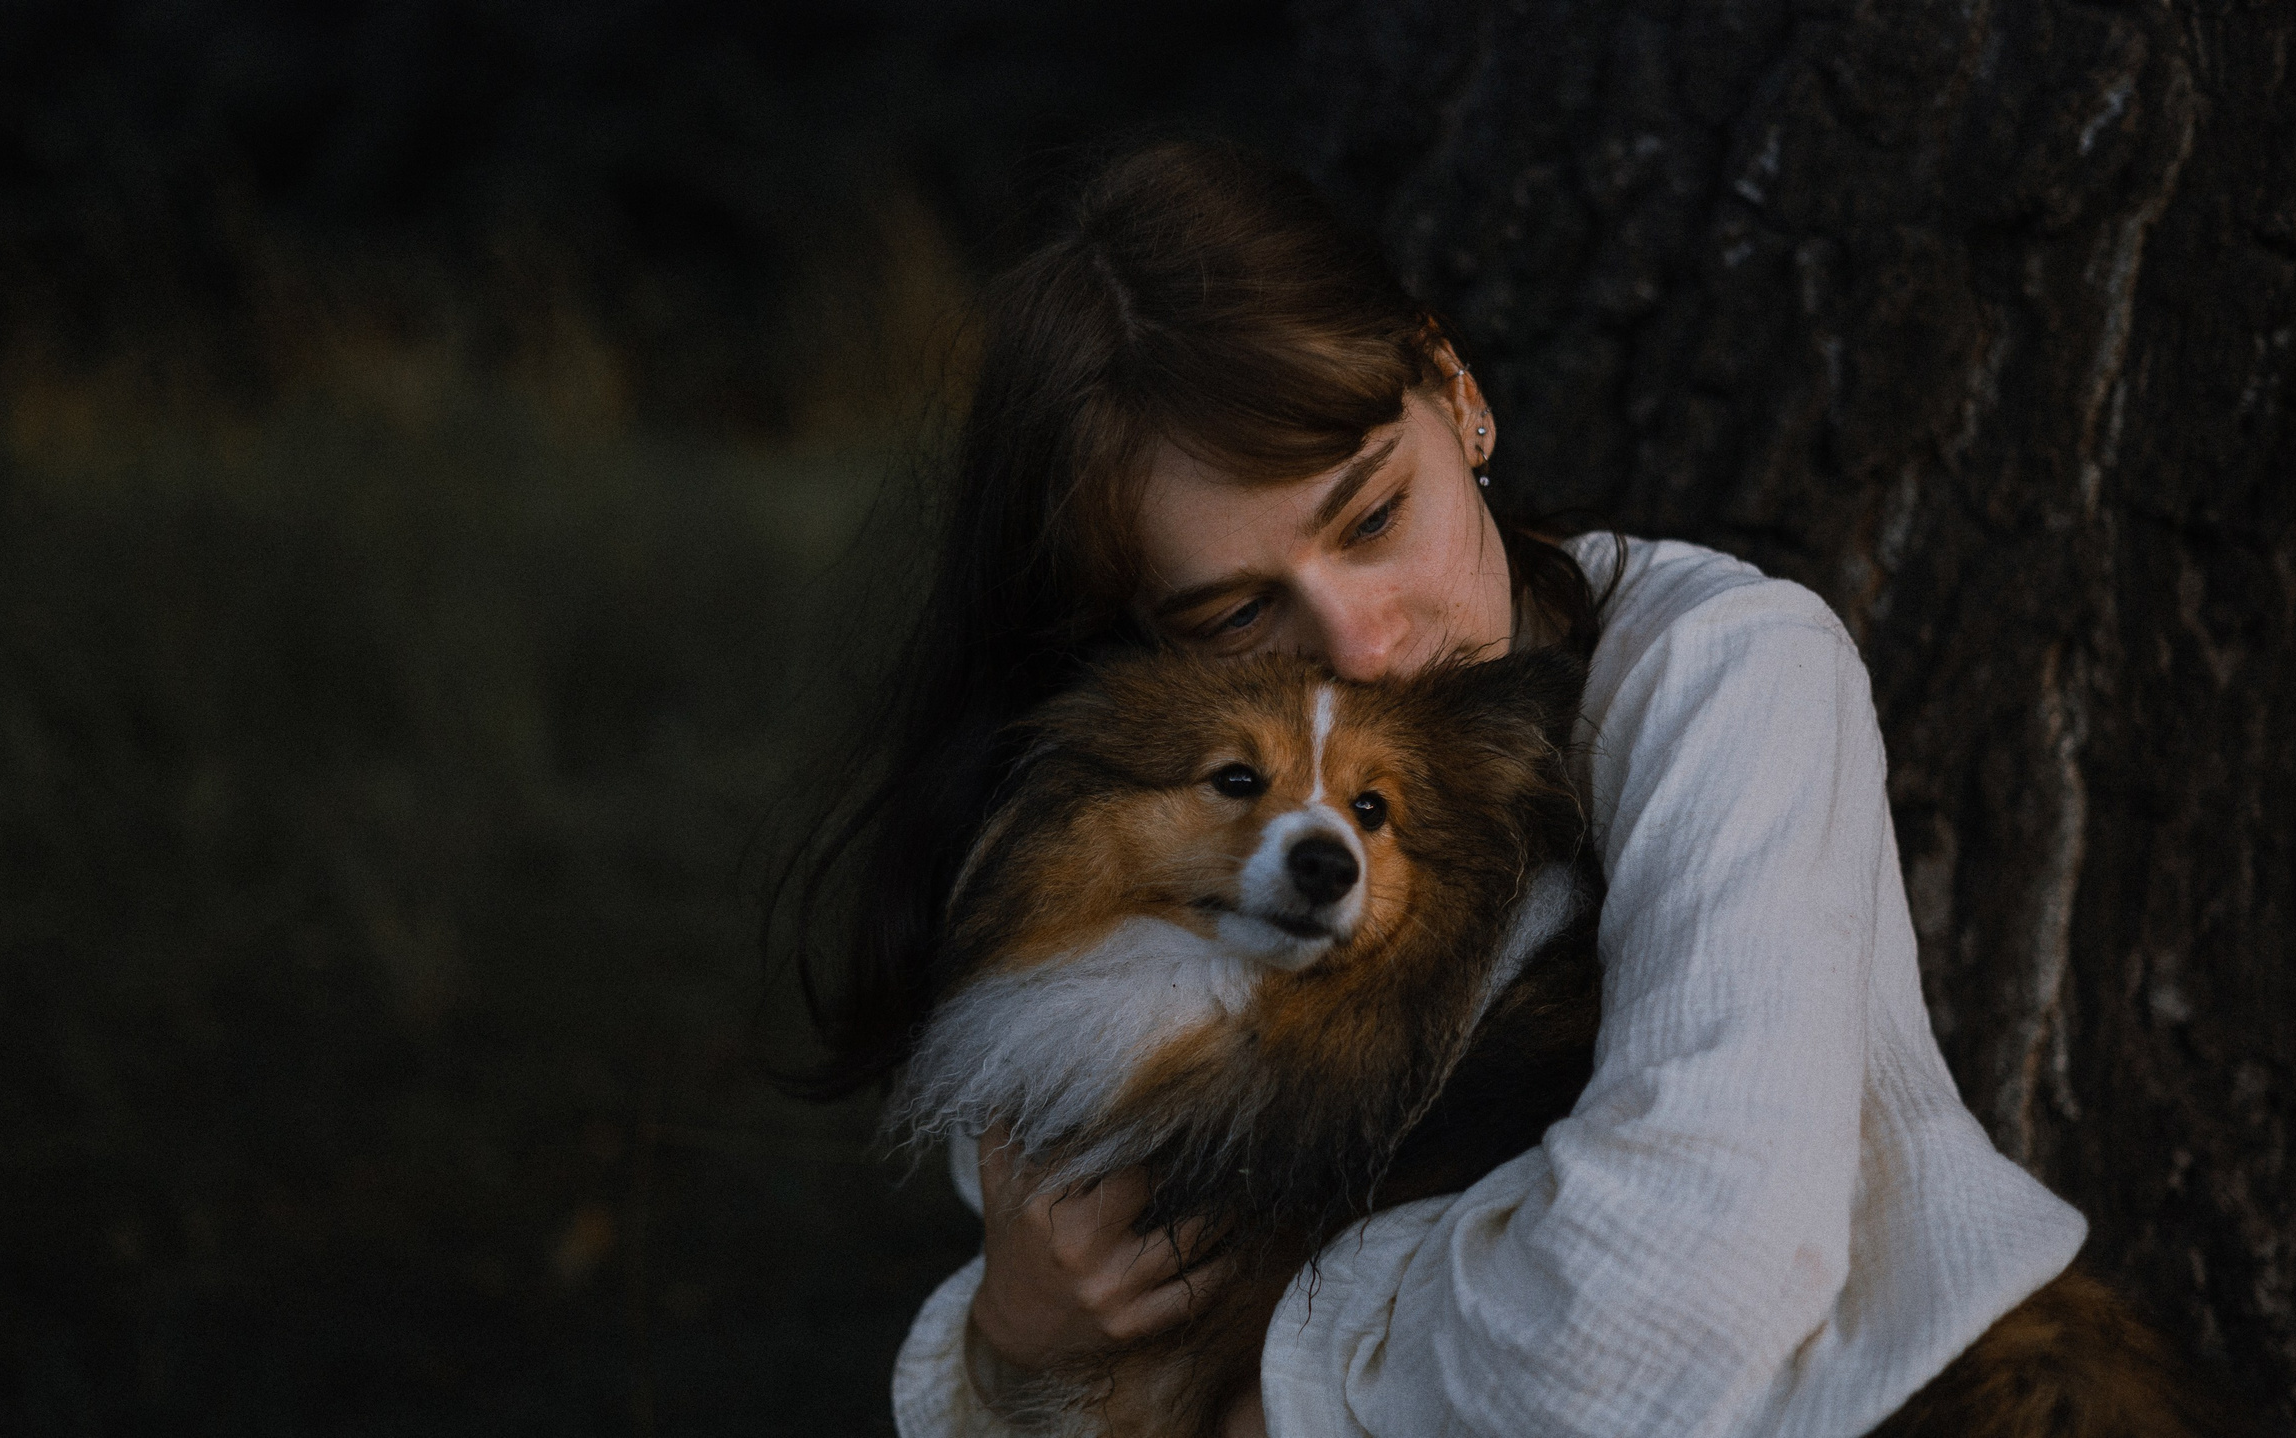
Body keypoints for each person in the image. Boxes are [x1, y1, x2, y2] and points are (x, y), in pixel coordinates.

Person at [788, 139, 2085, 1437]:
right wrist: (1011, 1338)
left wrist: (1272, 1383)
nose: (1360, 644)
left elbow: (1685, 1277)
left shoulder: (1727, 672)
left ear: (1455, 388)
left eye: (1371, 517)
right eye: (1239, 609)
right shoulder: (1152, 837)